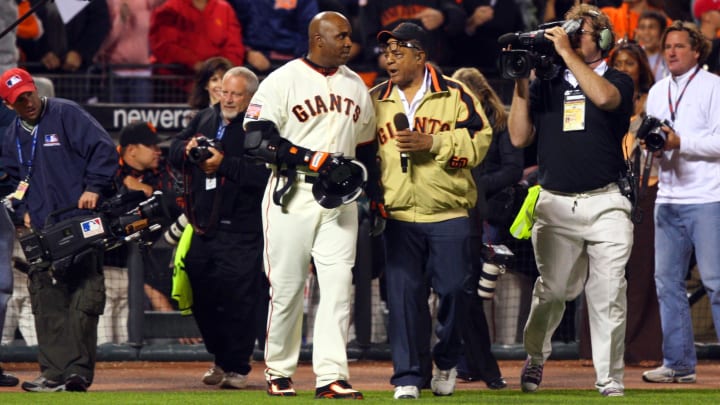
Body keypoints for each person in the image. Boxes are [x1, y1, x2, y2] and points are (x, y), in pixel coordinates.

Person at [243, 11, 376, 399]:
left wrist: (375, 196)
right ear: (319, 39)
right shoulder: (282, 80)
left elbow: (366, 145)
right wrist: (310, 158)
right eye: (342, 36)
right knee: (287, 289)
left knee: (338, 288)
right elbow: (254, 142)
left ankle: (331, 376)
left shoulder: (356, 86)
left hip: (341, 200)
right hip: (292, 193)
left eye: (350, 36)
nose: (349, 43)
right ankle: (279, 370)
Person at [507, 4, 634, 397]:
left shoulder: (618, 78)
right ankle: (537, 356)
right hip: (556, 203)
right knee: (554, 291)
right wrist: (521, 81)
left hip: (607, 201)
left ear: (606, 39)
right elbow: (518, 137)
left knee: (609, 292)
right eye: (571, 28)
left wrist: (566, 53)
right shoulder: (546, 81)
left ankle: (609, 379)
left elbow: (606, 99)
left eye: (584, 29)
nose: (575, 34)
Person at [369, 22, 492, 399]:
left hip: (448, 212)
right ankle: (408, 375)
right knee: (405, 300)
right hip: (399, 215)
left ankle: (447, 359)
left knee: (455, 291)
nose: (389, 59)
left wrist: (433, 141)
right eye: (386, 52)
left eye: (397, 52)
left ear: (420, 56)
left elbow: (480, 142)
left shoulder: (456, 93)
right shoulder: (374, 97)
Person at [0, 67, 118, 392]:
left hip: (79, 219)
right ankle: (53, 374)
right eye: (18, 100)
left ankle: (77, 373)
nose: (27, 102)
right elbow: (11, 181)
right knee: (46, 301)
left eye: (28, 93)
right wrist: (22, 210)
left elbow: (104, 149)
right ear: (8, 105)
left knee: (84, 297)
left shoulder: (65, 113)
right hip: (42, 229)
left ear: (35, 88)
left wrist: (94, 186)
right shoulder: (12, 136)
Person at [168, 66, 269, 389]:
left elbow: (265, 175)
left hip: (242, 228)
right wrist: (184, 150)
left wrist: (223, 164)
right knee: (199, 290)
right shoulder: (205, 118)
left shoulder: (261, 127)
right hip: (204, 226)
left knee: (239, 297)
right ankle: (219, 357)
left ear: (250, 96)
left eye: (235, 94)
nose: (227, 98)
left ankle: (237, 366)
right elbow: (172, 149)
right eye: (224, 91)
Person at [641, 20, 720, 385]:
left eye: (679, 46)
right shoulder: (657, 92)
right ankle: (678, 363)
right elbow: (658, 141)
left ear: (697, 51)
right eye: (668, 46)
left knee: (717, 284)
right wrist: (652, 149)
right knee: (667, 283)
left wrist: (680, 142)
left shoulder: (714, 87)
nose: (671, 51)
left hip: (707, 198)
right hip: (668, 197)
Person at [579, 40, 663, 366]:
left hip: (648, 191)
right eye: (620, 62)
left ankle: (641, 349)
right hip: (607, 189)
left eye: (631, 62)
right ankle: (593, 348)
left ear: (641, 67)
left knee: (643, 273)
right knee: (602, 271)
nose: (625, 67)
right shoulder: (603, 97)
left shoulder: (655, 100)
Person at [450, 66, 520, 389]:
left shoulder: (500, 123)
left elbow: (512, 169)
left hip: (489, 213)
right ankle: (465, 363)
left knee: (480, 291)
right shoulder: (450, 122)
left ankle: (480, 361)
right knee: (461, 290)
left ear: (480, 95)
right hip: (458, 211)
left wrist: (476, 185)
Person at [149, 0, 244, 90]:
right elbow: (164, 45)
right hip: (173, 86)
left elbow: (234, 47)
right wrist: (195, 64)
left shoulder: (224, 9)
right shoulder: (170, 8)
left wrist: (221, 68)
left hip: (217, 85)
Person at [95, 0, 166, 103]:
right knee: (112, 118)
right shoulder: (110, 3)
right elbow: (102, 42)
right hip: (115, 74)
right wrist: (120, 21)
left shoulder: (144, 2)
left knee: (142, 117)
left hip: (142, 74)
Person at [635, 10, 670, 82]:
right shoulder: (634, 56)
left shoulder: (670, 57)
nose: (646, 32)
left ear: (662, 31)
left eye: (651, 27)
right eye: (642, 27)